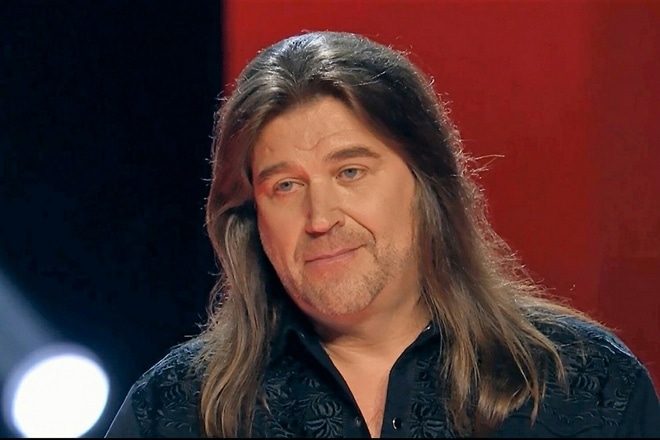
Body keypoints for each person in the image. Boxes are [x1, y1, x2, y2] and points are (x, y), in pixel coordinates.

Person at [104, 30, 660, 438]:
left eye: (350, 172)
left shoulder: (587, 385)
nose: (320, 218)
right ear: (251, 217)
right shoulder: (175, 410)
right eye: (285, 186)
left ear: (425, 183)